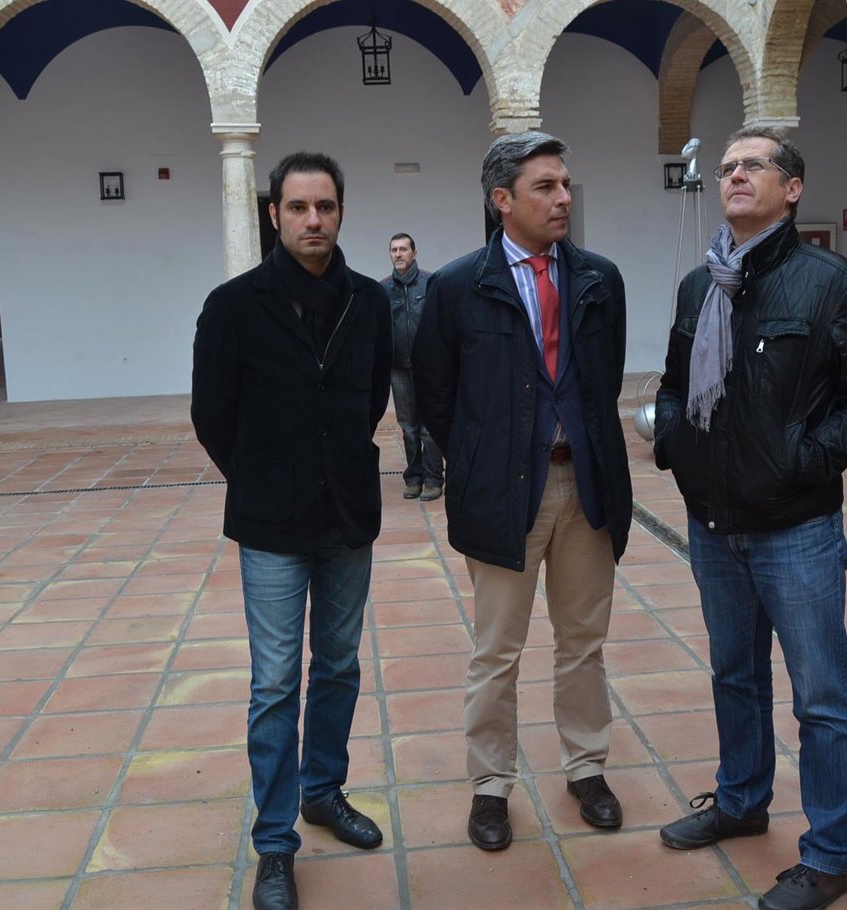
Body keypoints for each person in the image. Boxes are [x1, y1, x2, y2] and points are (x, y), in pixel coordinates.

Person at [653, 127, 847, 910]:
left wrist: (803, 459)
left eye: (753, 165)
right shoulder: (699, 286)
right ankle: (740, 801)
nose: (734, 175)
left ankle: (830, 856)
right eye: (728, 166)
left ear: (791, 189)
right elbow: (673, 384)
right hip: (713, 524)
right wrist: (673, 442)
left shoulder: (833, 284)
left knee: (822, 696)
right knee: (734, 675)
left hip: (796, 528)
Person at [413, 131, 633, 851]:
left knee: (583, 642)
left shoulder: (600, 279)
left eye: (565, 183)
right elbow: (435, 395)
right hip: (503, 492)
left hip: (586, 484)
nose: (564, 197)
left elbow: (601, 384)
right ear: (502, 199)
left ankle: (587, 767)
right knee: (496, 650)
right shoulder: (456, 286)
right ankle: (491, 784)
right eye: (546, 187)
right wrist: (481, 460)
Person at [191, 151, 392, 910]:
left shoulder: (368, 301)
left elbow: (370, 399)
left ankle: (323, 791)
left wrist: (332, 464)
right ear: (274, 214)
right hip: (272, 525)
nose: (314, 220)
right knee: (275, 683)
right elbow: (212, 414)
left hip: (347, 518)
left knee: (338, 666)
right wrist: (264, 477)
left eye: (326, 207)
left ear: (341, 212)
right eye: (299, 207)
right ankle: (275, 844)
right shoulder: (233, 305)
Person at [381, 232, 443, 501]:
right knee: (408, 426)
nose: (398, 254)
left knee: (429, 426)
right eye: (394, 250)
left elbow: (441, 323)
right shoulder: (383, 289)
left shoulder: (431, 283)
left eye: (403, 249)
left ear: (414, 253)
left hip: (428, 367)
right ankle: (414, 478)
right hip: (398, 369)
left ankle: (433, 479)